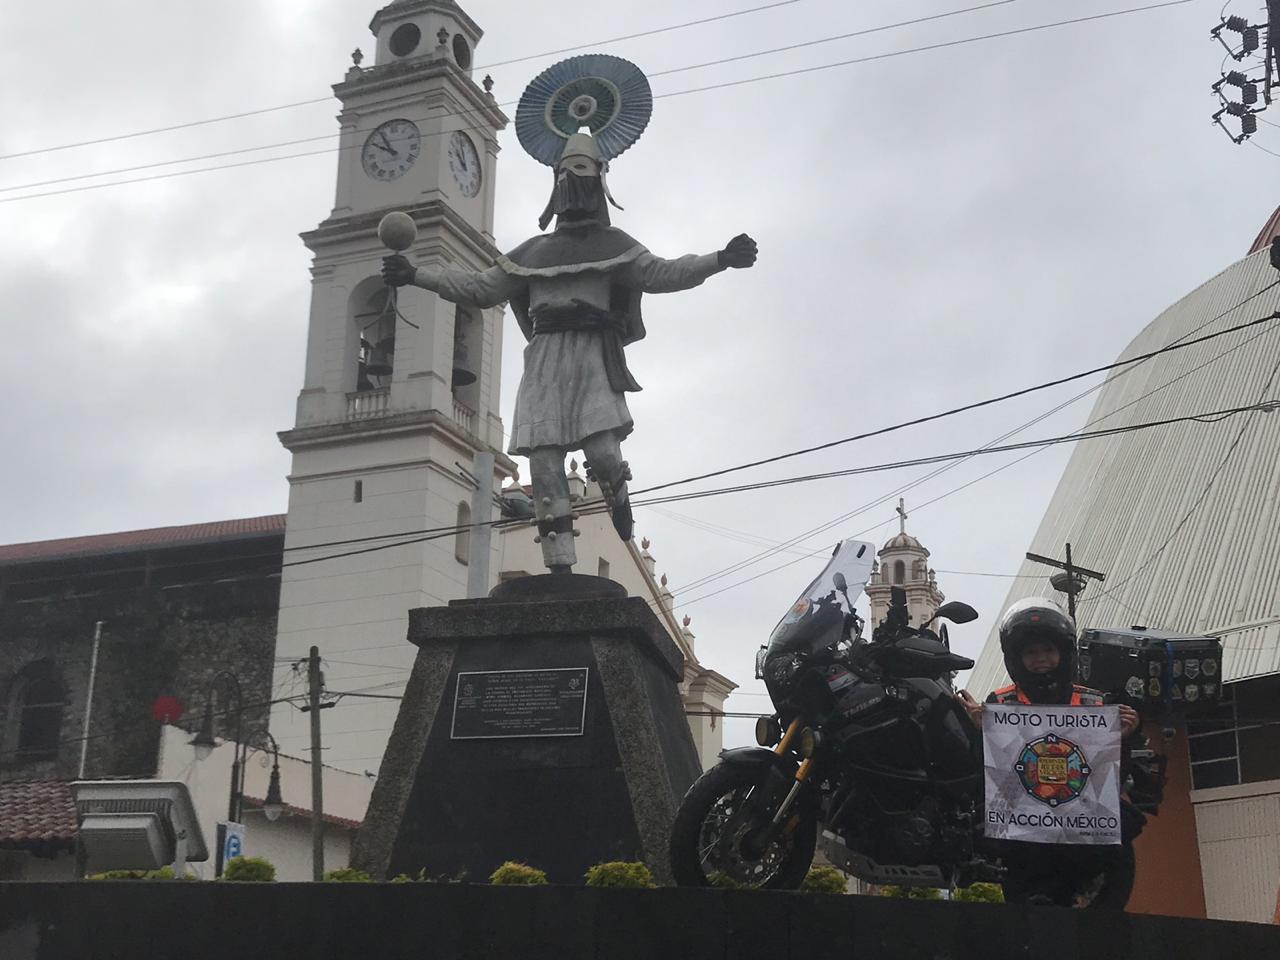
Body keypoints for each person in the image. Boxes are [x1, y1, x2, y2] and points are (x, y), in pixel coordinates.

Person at [382, 132, 756, 572]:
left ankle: (617, 490)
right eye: (563, 173)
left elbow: (662, 273)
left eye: (579, 172)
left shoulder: (615, 245)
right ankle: (559, 561)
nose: (570, 181)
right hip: (544, 356)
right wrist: (415, 275)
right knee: (543, 462)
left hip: (591, 353)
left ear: (598, 181)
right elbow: (480, 288)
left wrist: (718, 259)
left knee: (602, 451)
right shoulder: (533, 253)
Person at [957, 597, 1143, 908]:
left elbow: (1114, 773)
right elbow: (985, 771)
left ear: (1064, 653)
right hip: (1023, 820)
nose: (1040, 658)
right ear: (1017, 658)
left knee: (1124, 833)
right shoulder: (1000, 704)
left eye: (1048, 650)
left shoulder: (1095, 703)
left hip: (1083, 813)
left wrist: (1126, 734)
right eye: (1031, 652)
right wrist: (981, 730)